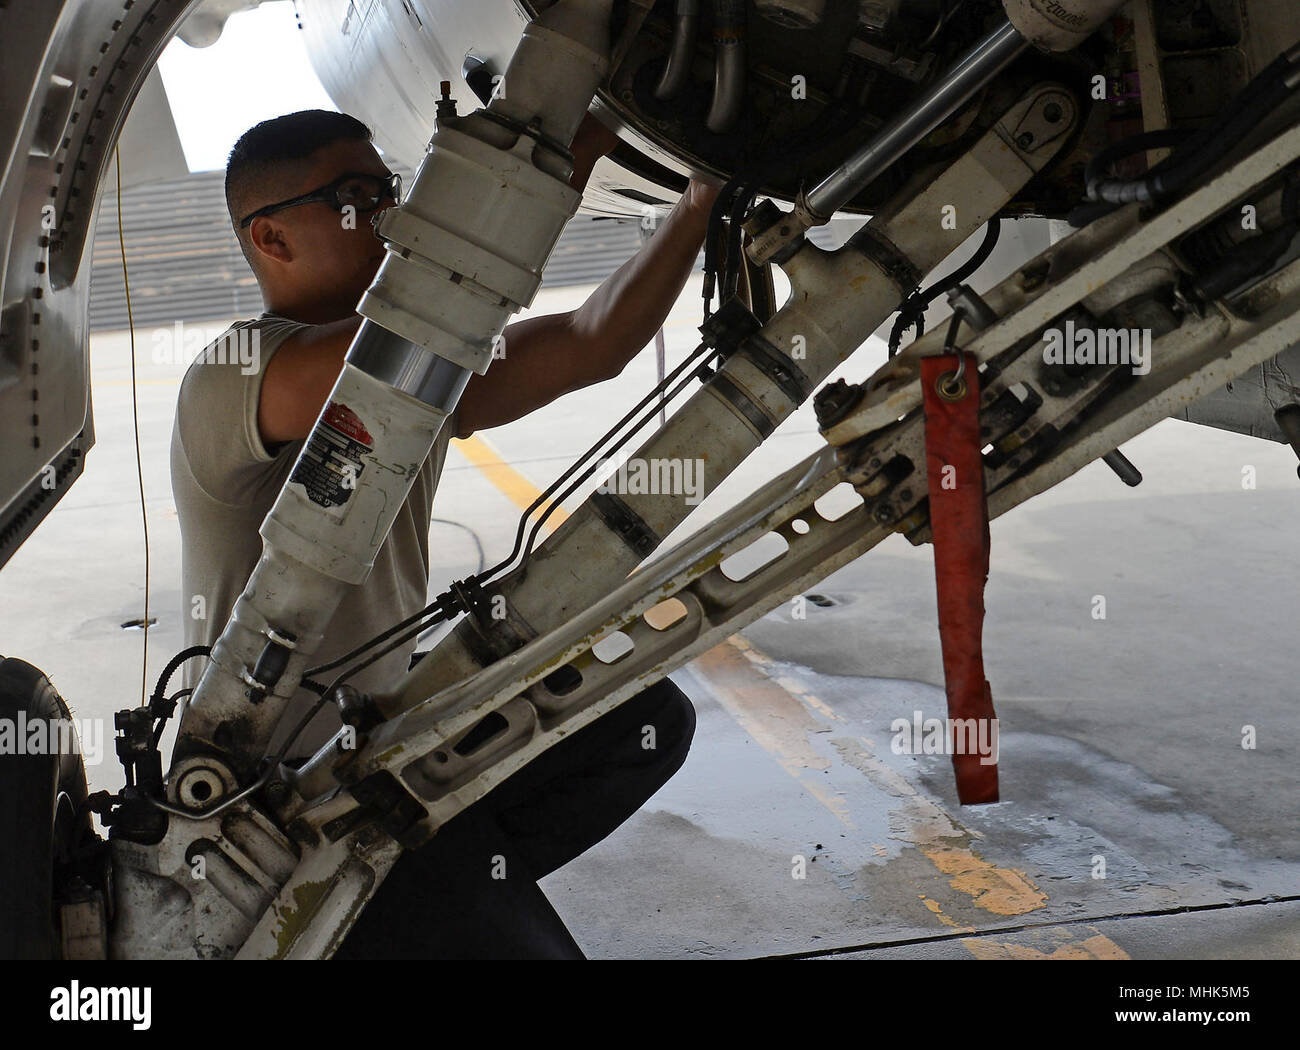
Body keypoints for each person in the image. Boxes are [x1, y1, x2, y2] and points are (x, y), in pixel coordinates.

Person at [170, 109, 717, 957]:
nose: (389, 215)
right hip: (283, 800)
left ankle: (437, 876)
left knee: (637, 719)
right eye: (354, 197)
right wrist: (558, 166)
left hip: (387, 743)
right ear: (271, 237)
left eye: (389, 189)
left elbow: (589, 340)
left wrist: (701, 198)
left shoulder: (415, 375)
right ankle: (404, 895)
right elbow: (406, 346)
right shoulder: (241, 375)